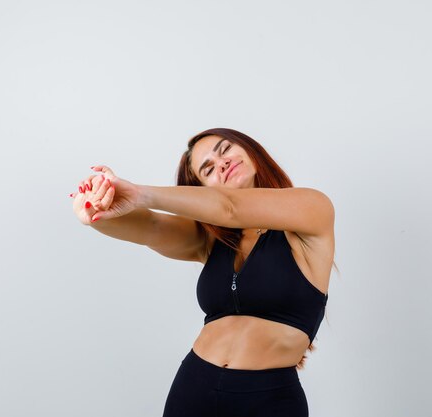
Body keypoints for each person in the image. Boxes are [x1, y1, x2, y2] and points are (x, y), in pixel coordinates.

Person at [70, 128, 336, 417]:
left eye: (225, 150)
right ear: (202, 190)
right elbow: (150, 227)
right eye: (208, 169)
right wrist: (95, 211)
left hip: (269, 400)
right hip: (194, 387)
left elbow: (230, 208)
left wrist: (139, 193)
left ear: (251, 151)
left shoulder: (312, 208)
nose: (221, 164)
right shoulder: (211, 241)